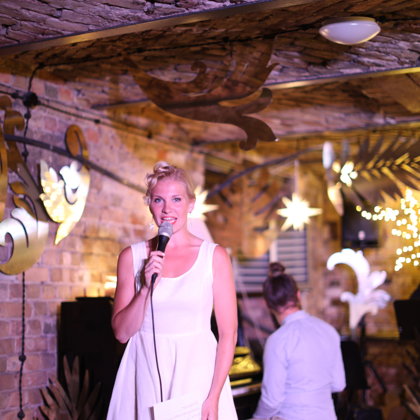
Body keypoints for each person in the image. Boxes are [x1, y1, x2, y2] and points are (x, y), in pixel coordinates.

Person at [106, 161, 238, 420]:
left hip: (197, 376)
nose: (167, 209)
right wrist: (145, 289)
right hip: (144, 372)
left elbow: (228, 334)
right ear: (149, 205)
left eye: (176, 199)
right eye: (158, 200)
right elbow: (121, 333)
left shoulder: (214, 257)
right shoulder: (131, 257)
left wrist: (213, 397)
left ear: (191, 204)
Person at [252, 263, 346, 420]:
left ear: (269, 304)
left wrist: (257, 418)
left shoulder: (278, 340)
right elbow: (339, 384)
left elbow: (272, 401)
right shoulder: (328, 330)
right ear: (297, 295)